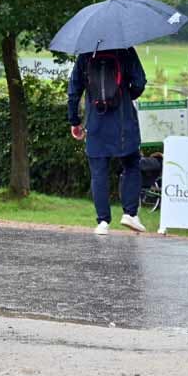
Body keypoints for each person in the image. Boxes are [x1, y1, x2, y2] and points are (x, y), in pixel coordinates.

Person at [66, 47, 148, 235]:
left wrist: (74, 121)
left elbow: (74, 90)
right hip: (123, 120)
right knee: (131, 164)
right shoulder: (125, 50)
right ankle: (130, 213)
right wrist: (126, 95)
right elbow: (139, 82)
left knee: (98, 173)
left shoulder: (86, 54)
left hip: (95, 121)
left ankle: (103, 221)